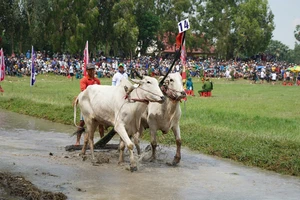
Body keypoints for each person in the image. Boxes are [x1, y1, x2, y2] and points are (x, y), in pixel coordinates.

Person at [75, 63, 104, 145]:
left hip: (96, 104)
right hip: (87, 104)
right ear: (87, 71)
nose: (92, 71)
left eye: (93, 69)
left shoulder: (97, 81)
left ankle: (103, 141)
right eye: (90, 70)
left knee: (101, 123)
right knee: (82, 122)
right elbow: (84, 91)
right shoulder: (84, 80)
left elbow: (100, 91)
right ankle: (77, 141)